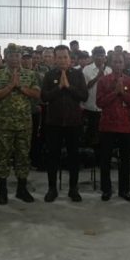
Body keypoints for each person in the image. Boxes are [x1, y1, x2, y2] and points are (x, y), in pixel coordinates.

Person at [0, 44, 40, 204]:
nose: (15, 59)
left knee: (23, 156)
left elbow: (37, 94)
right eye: (11, 55)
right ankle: (2, 191)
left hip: (24, 123)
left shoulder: (30, 74)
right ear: (6, 57)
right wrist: (10, 86)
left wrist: (20, 87)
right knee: (2, 156)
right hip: (3, 123)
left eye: (17, 55)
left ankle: (21, 189)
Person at [41, 45, 88, 202]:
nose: (62, 60)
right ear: (55, 59)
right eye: (59, 57)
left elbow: (84, 96)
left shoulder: (78, 74)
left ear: (70, 59)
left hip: (73, 123)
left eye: (65, 57)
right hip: (53, 123)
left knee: (73, 157)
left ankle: (73, 189)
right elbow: (44, 97)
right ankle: (52, 188)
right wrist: (59, 87)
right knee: (52, 157)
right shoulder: (49, 75)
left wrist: (68, 87)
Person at [96, 52, 130, 202]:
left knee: (125, 161)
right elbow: (99, 102)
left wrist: (123, 94)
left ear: (124, 64)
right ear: (110, 63)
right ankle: (106, 190)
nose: (118, 65)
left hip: (126, 126)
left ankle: (124, 190)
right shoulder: (103, 80)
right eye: (115, 62)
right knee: (105, 160)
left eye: (120, 62)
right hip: (107, 126)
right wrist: (115, 92)